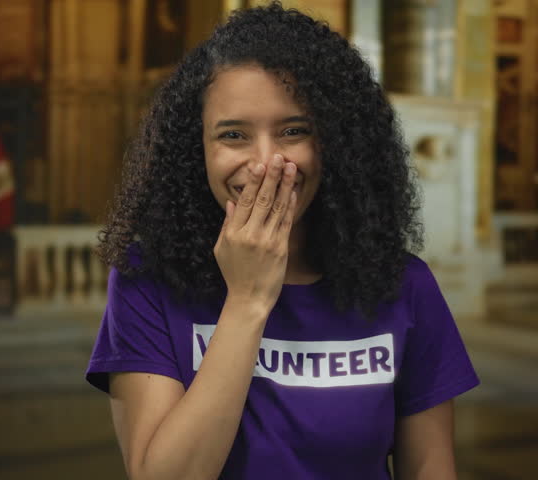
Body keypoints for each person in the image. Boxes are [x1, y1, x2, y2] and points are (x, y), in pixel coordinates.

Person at [86, 2, 479, 479]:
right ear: (197, 151)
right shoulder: (146, 279)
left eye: (294, 131)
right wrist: (249, 300)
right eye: (234, 135)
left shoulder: (404, 285)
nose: (266, 163)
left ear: (336, 141)